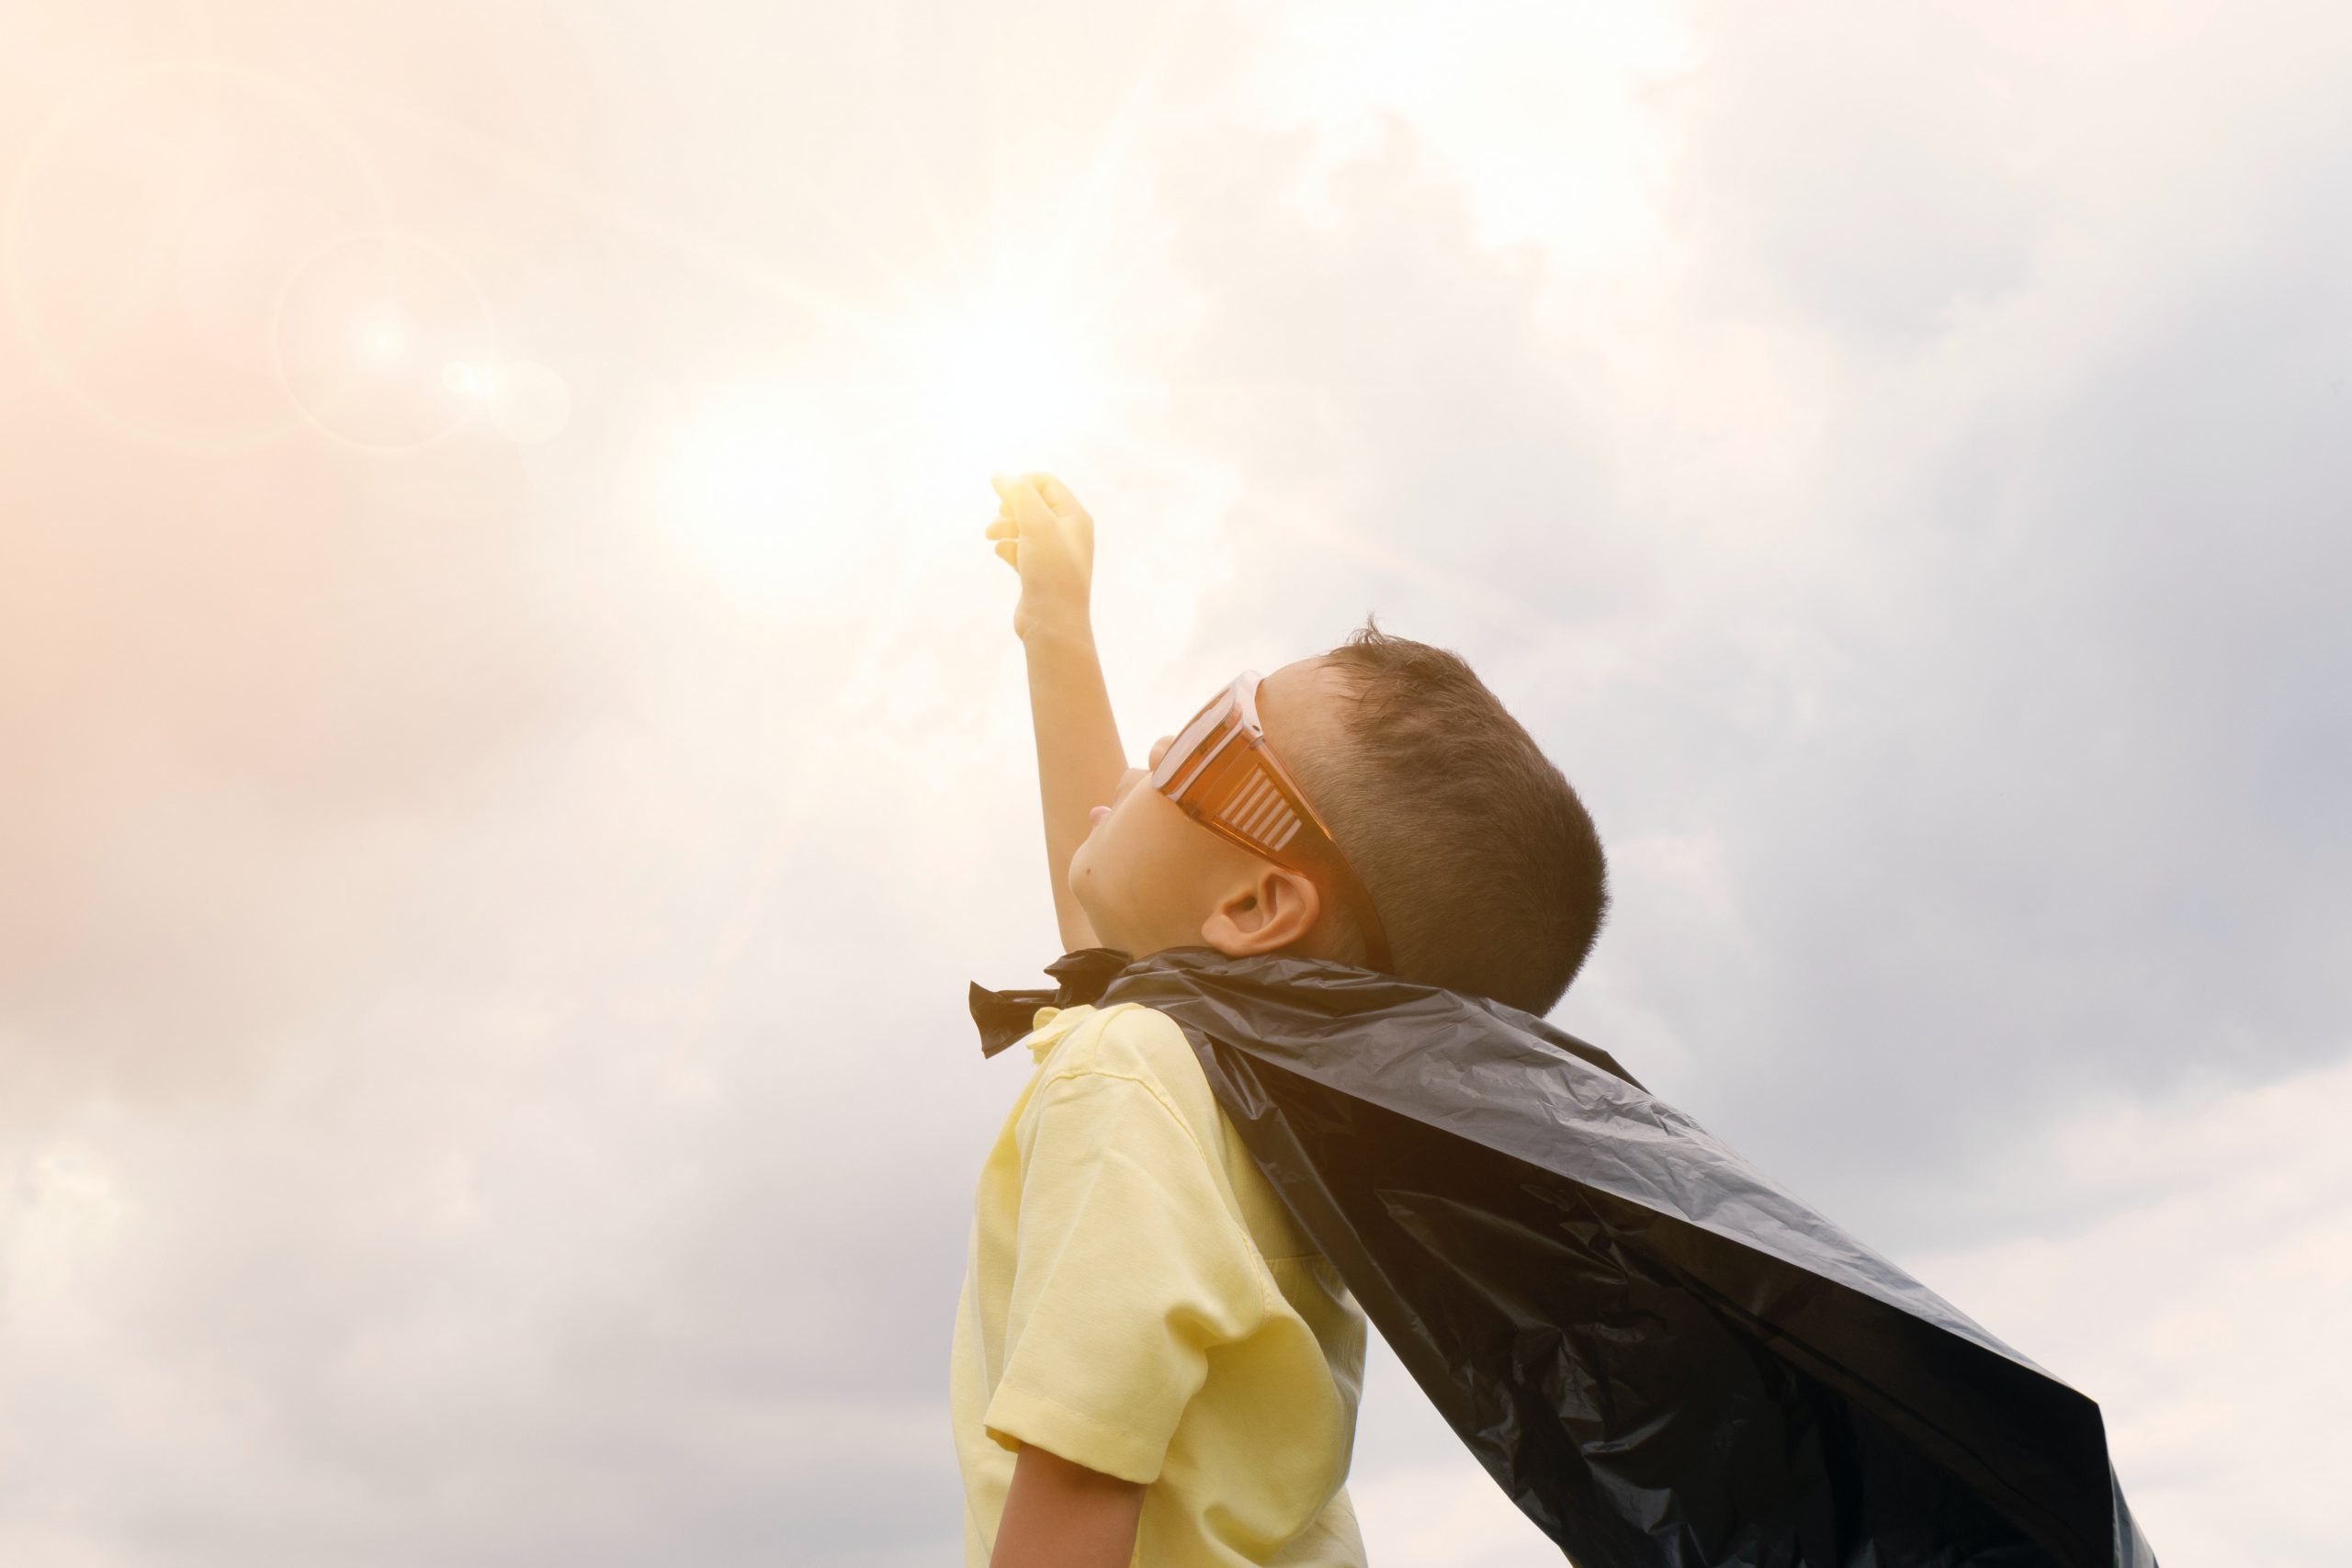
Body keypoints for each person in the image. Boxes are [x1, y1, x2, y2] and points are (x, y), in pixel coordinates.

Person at [951, 471, 1610, 1567]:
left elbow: (1078, 1482)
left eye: (1213, 738)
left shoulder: (1132, 1072)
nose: (1161, 740)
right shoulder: (1265, 1092)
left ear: (1256, 904)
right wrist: (1055, 624)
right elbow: (1110, 908)